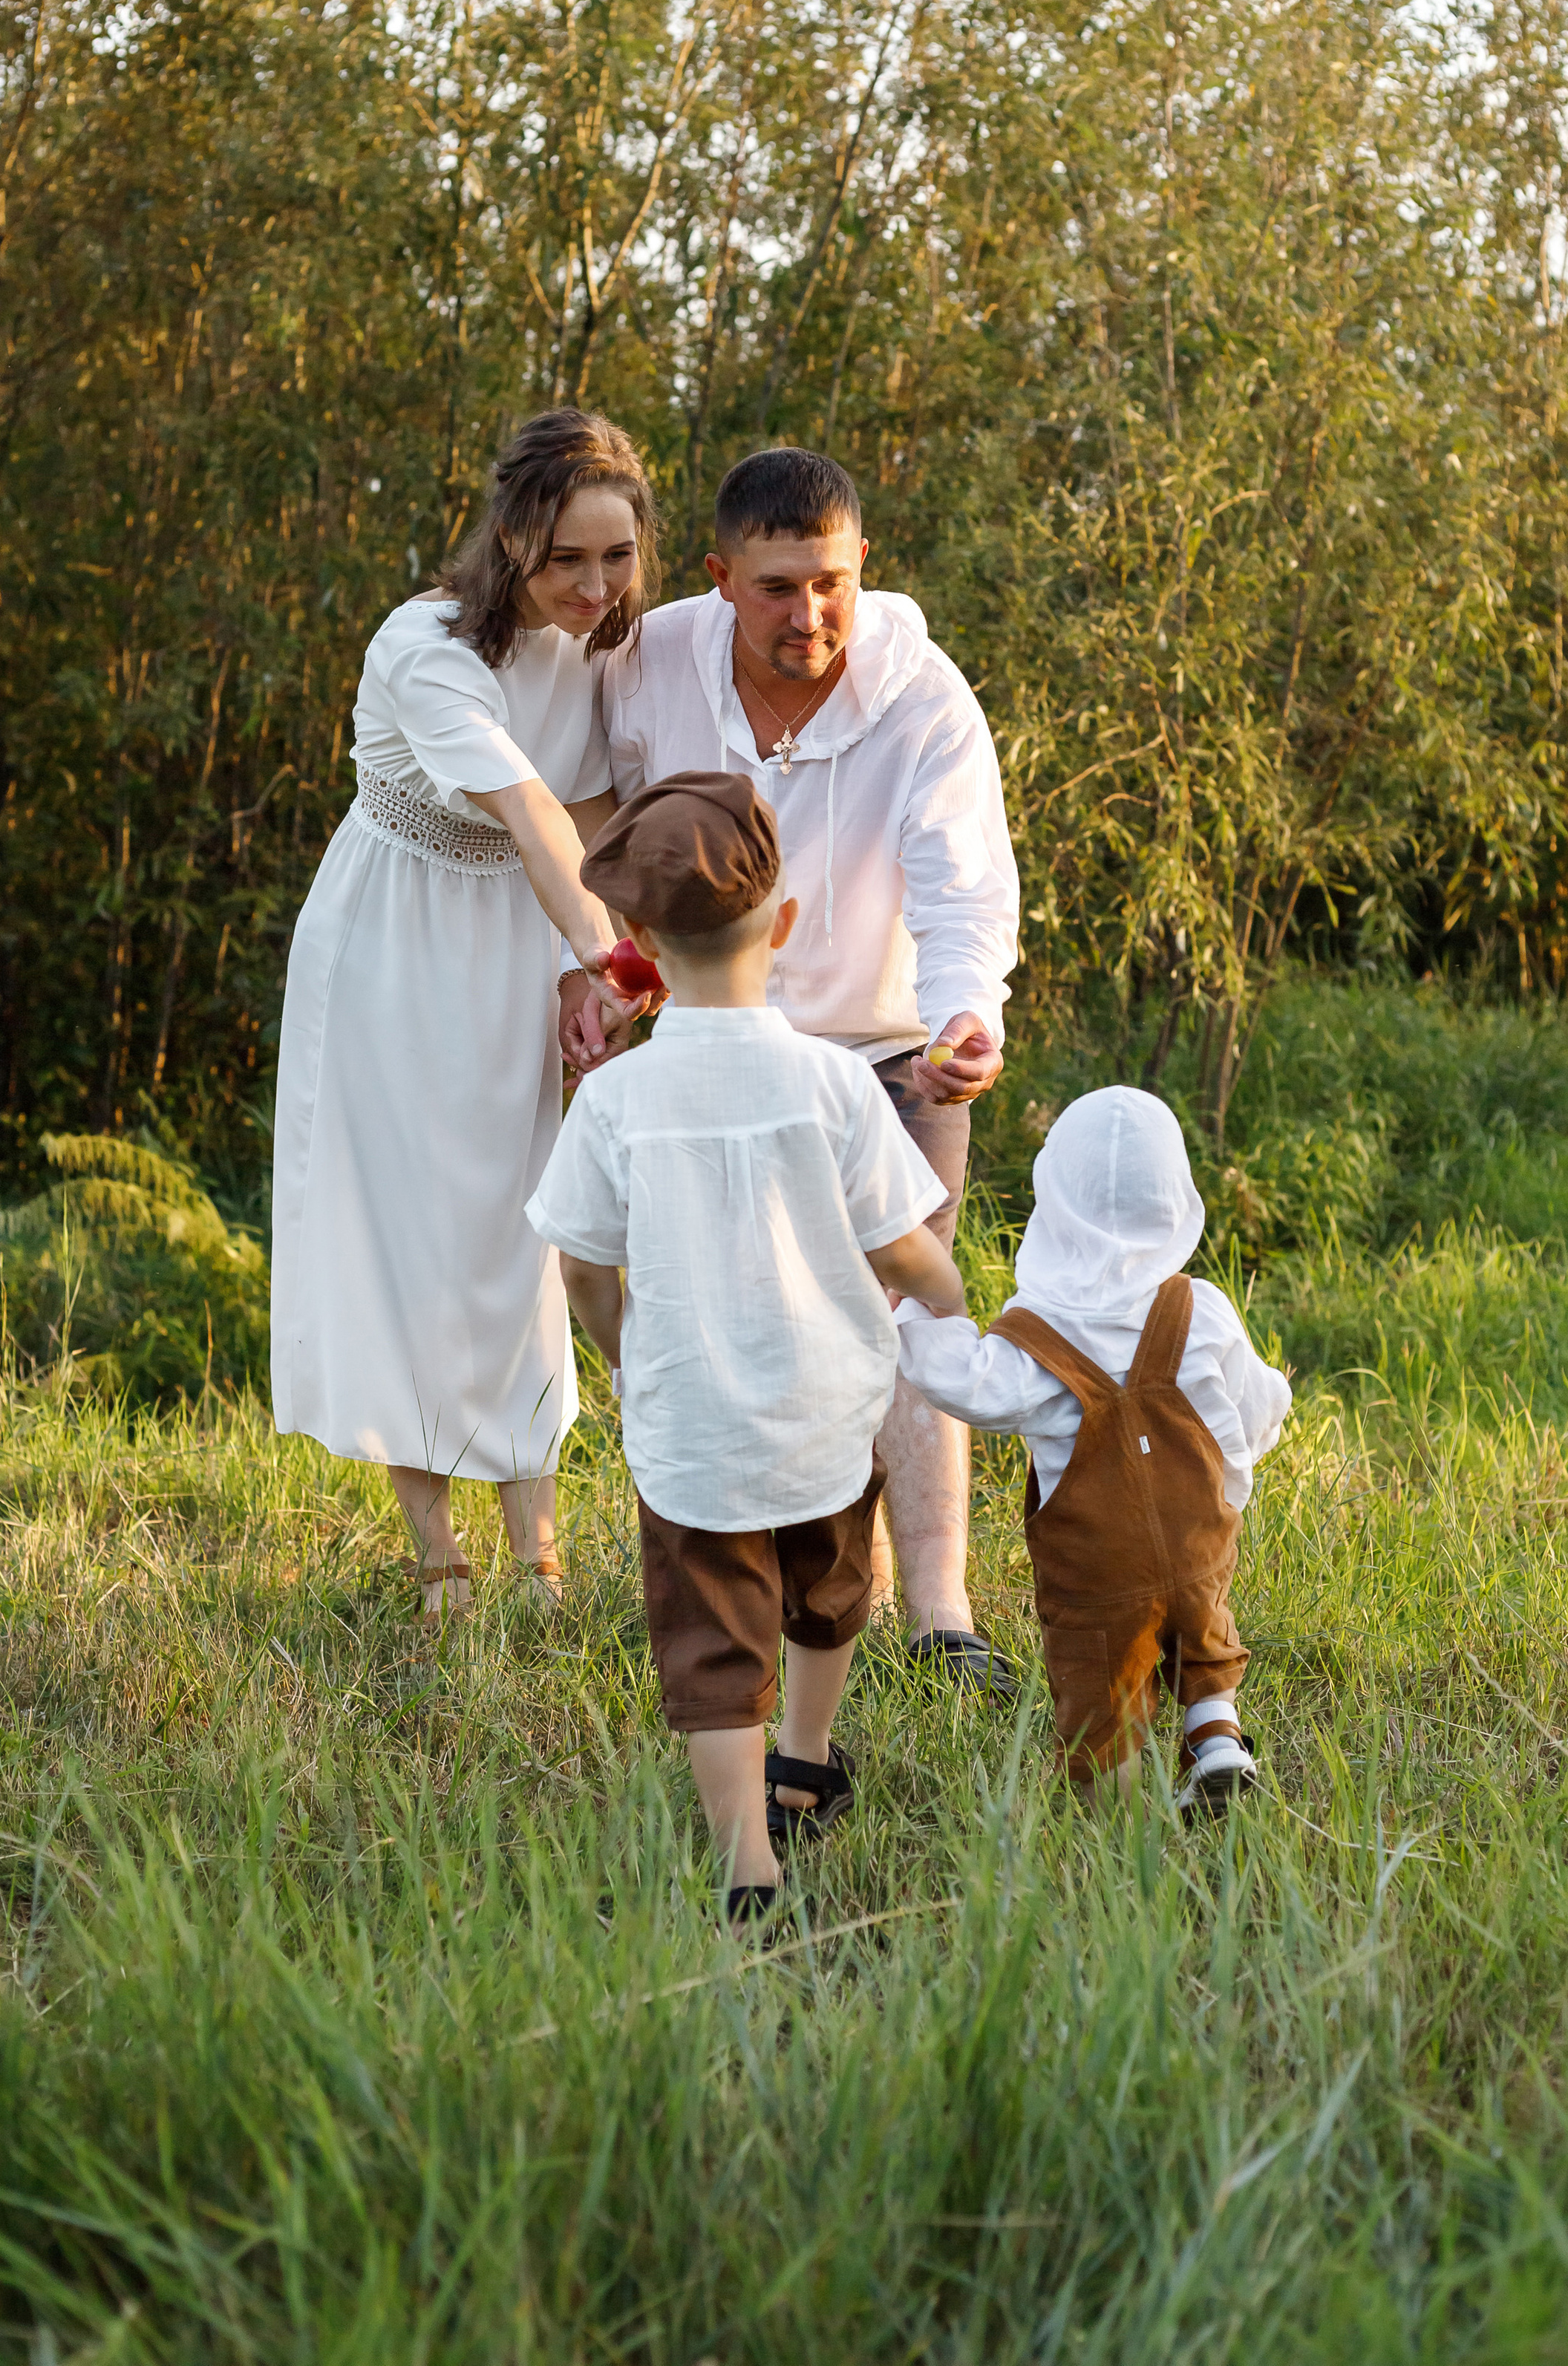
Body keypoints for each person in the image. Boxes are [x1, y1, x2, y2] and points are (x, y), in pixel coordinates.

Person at [563, 447, 1019, 1691]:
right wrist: (603, 971)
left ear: (861, 564)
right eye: (777, 588)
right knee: (742, 1321)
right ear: (719, 581)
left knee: (915, 1309)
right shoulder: (647, 659)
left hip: (885, 1055)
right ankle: (777, 1590)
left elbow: (963, 884)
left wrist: (963, 1020)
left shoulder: (923, 696)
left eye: (830, 583)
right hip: (715, 1045)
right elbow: (606, 827)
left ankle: (941, 1610)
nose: (809, 615)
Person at [527, 772, 967, 1923]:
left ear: (642, 953)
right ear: (782, 926)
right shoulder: (832, 1082)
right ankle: (808, 1762)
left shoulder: (617, 1100)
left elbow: (580, 1265)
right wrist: (952, 1298)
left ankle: (746, 1865)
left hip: (691, 1427)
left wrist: (624, 1358)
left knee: (716, 1644)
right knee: (832, 1592)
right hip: (828, 1412)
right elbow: (906, 1248)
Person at [270, 410, 655, 1620]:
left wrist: (585, 970)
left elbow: (593, 822)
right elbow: (533, 816)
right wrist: (624, 964)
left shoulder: (603, 646)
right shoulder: (424, 644)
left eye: (618, 556)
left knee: (523, 1224)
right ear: (511, 542)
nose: (595, 587)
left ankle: (535, 1548)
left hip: (521, 940)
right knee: (409, 1234)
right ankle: (439, 1553)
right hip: (393, 942)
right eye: (567, 562)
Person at [894, 1088, 1290, 1813]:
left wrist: (925, 1308)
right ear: (1174, 1196)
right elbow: (1258, 1403)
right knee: (1202, 1631)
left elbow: (966, 1384)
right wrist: (1237, 1473)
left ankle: (1123, 1825)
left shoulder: (1041, 1333)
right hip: (1199, 1539)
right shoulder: (1200, 1305)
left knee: (1101, 1699)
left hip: (1098, 1574)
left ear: (1055, 1205)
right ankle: (1217, 1736)